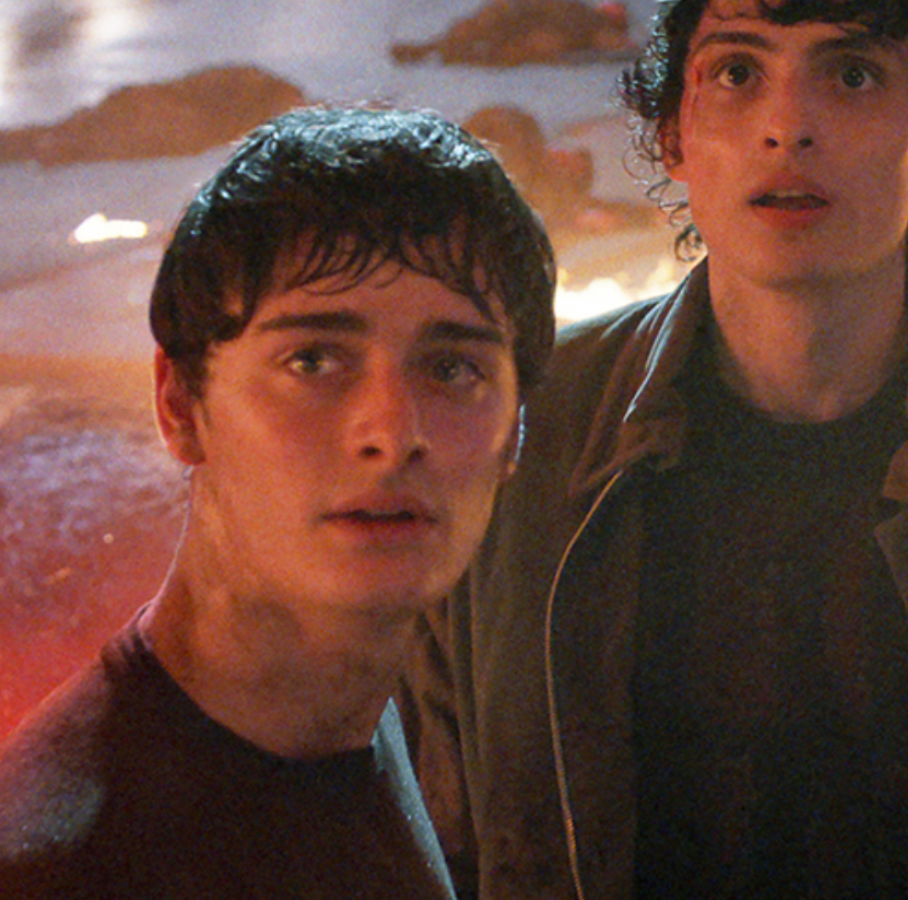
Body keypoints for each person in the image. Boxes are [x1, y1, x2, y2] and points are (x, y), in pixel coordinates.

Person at [397, 1, 908, 898]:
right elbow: (426, 839)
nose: (788, 127)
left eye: (852, 75)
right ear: (673, 135)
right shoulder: (523, 436)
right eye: (738, 73)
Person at [0, 106, 556, 899]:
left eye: (452, 369)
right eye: (314, 361)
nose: (392, 433)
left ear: (515, 432)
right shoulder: (63, 866)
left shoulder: (364, 723)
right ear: (180, 405)